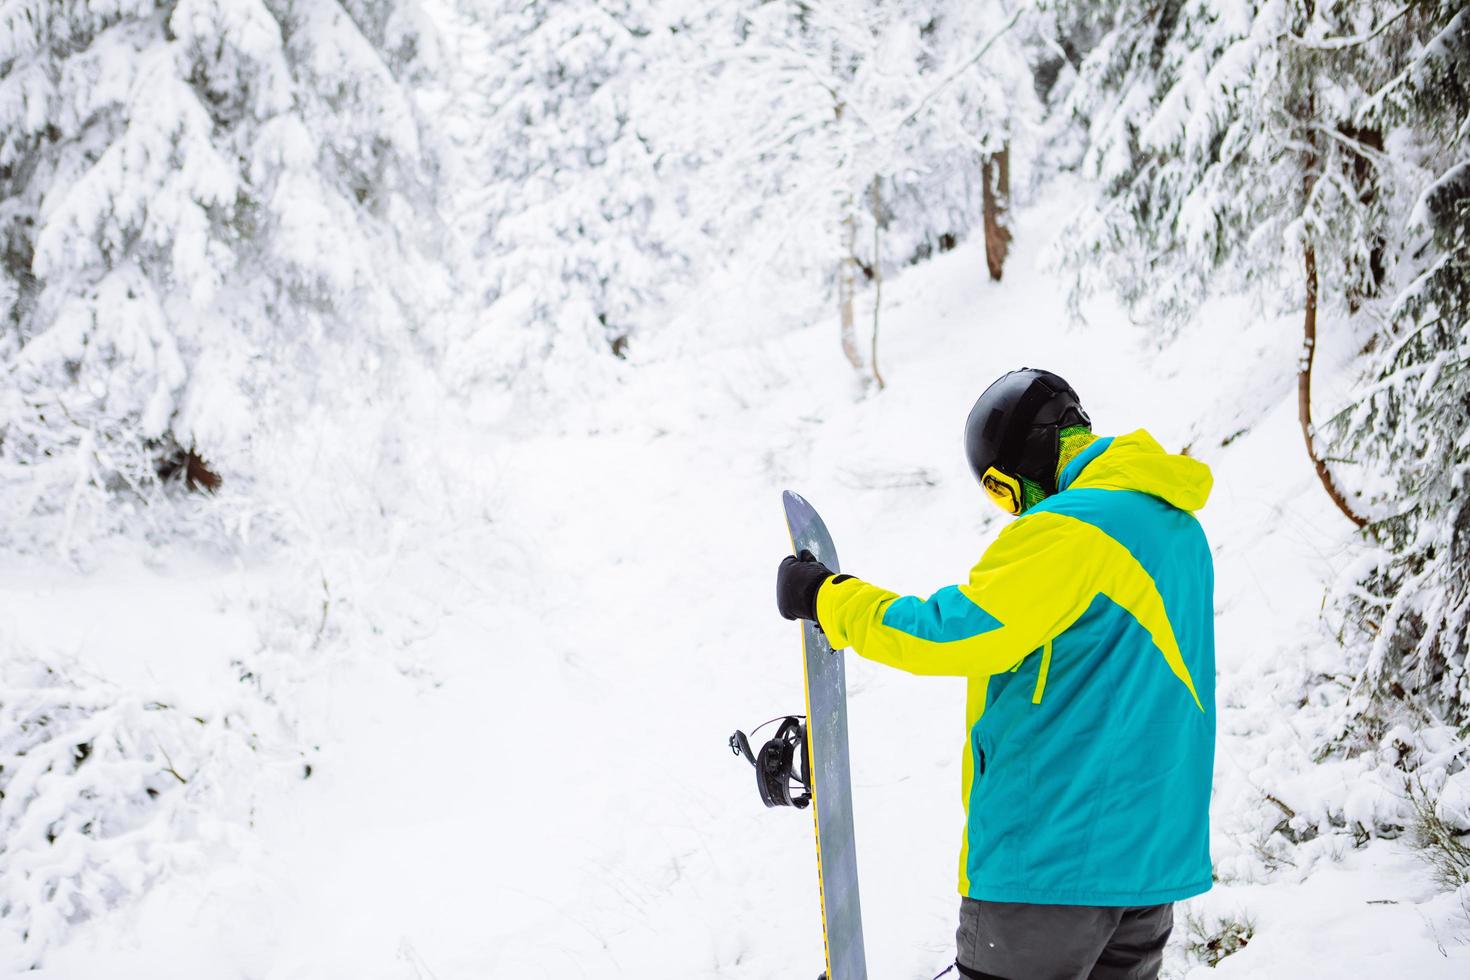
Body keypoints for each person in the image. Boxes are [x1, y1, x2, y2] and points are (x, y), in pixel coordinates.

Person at [775, 368, 1215, 980]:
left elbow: (948, 634)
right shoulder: (1178, 529)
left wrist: (831, 600)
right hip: (1150, 864)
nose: (1014, 515)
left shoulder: (1071, 529)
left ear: (1022, 468)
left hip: (1051, 864)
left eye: (1004, 493)